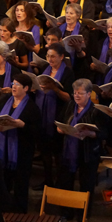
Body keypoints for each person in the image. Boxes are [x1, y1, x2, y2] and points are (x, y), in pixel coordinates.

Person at [0, 73, 41, 213]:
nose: (13, 87)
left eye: (17, 85)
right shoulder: (4, 101)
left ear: (26, 88)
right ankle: (2, 211)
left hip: (21, 152)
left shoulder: (32, 107)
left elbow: (37, 131)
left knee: (20, 185)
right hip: (3, 149)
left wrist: (22, 125)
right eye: (13, 84)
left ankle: (19, 215)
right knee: (3, 183)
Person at [57, 79, 107, 205]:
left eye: (80, 93)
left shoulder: (96, 110)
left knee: (86, 186)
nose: (76, 96)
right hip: (68, 151)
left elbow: (103, 133)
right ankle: (66, 211)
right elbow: (60, 122)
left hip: (87, 154)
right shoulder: (69, 105)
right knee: (65, 184)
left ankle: (83, 213)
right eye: (75, 93)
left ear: (89, 94)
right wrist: (61, 129)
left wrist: (89, 133)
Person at [35, 42, 74, 187]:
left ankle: (60, 183)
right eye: (48, 56)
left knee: (58, 153)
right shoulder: (45, 70)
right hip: (43, 116)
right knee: (45, 152)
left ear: (61, 57)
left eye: (53, 56)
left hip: (58, 115)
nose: (50, 59)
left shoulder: (68, 73)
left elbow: (69, 98)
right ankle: (48, 180)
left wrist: (55, 89)